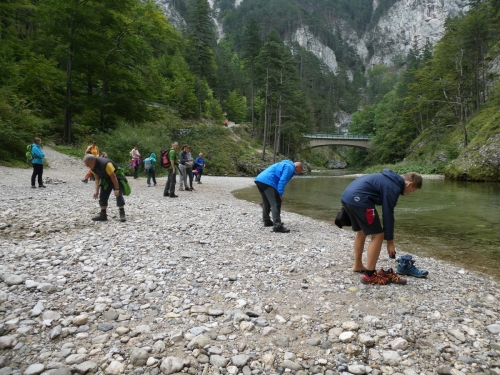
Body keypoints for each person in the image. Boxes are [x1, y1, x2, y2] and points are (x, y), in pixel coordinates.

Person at [340, 169, 422, 285]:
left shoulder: (388, 179)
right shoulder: (393, 187)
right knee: (378, 234)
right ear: (410, 184)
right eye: (412, 191)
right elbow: (388, 214)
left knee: (362, 231)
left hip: (347, 197)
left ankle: (358, 265)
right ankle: (369, 275)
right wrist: (390, 241)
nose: (409, 193)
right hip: (360, 199)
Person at [254, 160, 303, 233]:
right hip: (268, 181)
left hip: (260, 179)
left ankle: (267, 221)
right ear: (297, 166)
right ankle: (277, 226)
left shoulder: (283, 164)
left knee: (266, 201)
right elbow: (282, 180)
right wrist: (279, 194)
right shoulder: (290, 168)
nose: (297, 174)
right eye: (299, 171)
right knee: (276, 203)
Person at [83, 154, 127, 222]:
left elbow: (113, 177)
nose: (86, 166)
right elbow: (97, 179)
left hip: (116, 177)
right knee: (103, 195)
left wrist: (117, 189)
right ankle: (103, 214)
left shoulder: (106, 164)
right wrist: (96, 190)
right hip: (106, 178)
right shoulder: (92, 167)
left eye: (87, 164)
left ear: (92, 161)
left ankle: (122, 214)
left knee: (118, 194)